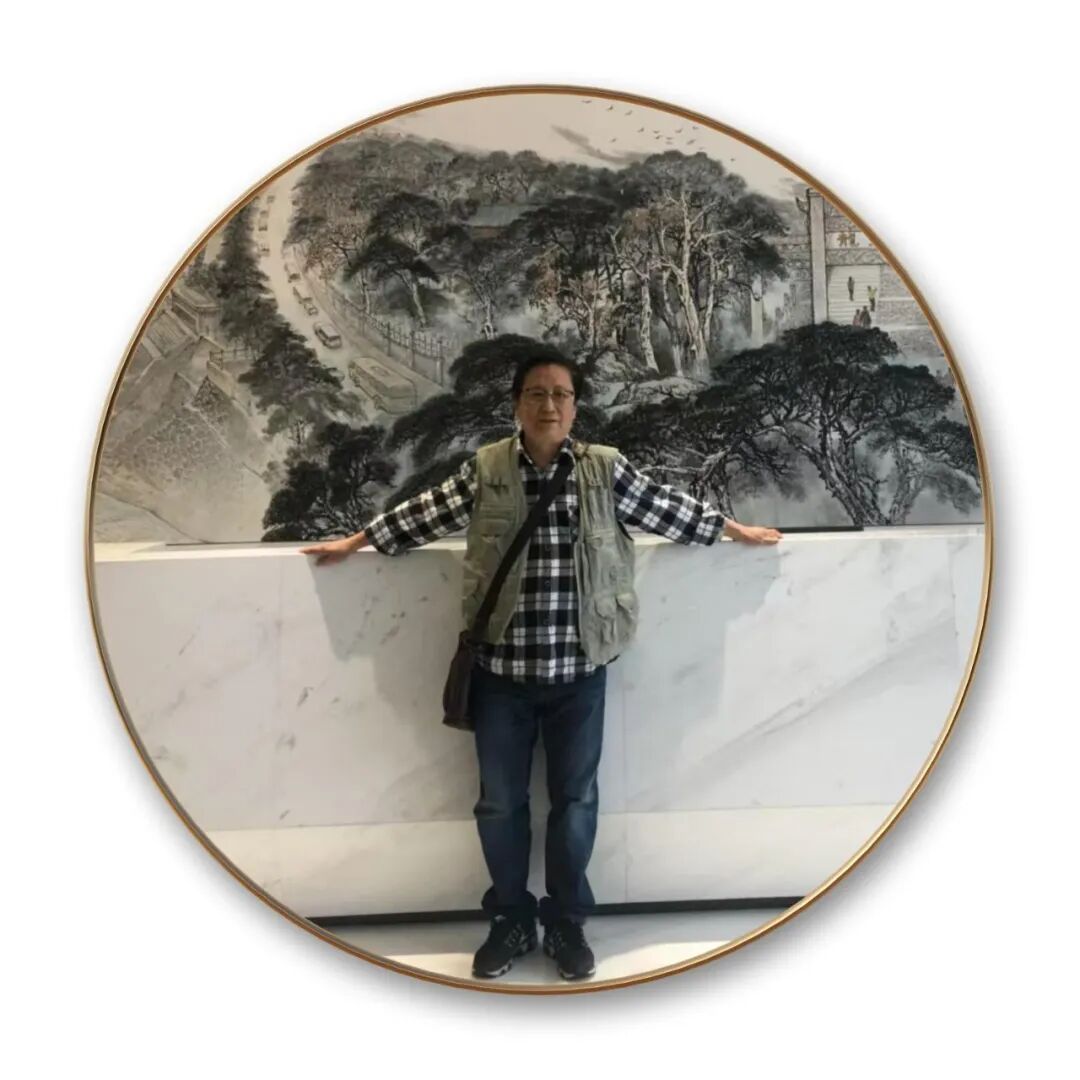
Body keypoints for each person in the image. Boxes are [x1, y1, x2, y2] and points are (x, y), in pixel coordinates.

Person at [301, 346, 782, 980]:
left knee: (575, 802)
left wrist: (732, 529)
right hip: (500, 675)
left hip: (580, 672)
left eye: (560, 394)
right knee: (499, 805)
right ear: (517, 405)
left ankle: (565, 922)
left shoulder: (604, 469)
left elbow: (664, 507)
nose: (548, 404)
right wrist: (357, 541)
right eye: (536, 393)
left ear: (575, 407)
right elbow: (425, 512)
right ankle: (510, 918)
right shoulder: (487, 468)